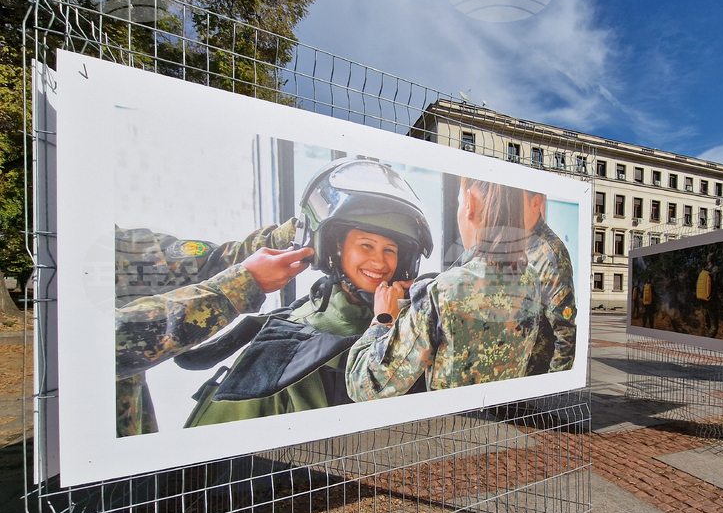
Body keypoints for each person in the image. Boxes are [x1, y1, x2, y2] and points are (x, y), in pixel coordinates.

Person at [182, 159, 434, 426]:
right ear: (336, 246)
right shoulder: (285, 343)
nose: (380, 262)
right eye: (367, 245)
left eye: (390, 250)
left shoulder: (418, 317)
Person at [346, 178, 543, 400]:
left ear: (470, 203)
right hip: (502, 422)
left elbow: (362, 386)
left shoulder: (441, 294)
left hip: (450, 429)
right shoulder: (531, 277)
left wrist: (384, 318)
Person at [115, 221, 311, 436]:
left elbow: (212, 261)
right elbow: (102, 344)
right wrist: (238, 284)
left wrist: (301, 228)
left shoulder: (98, 241)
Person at [521, 190, 577, 375]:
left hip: (533, 380)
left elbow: (565, 334)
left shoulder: (551, 254)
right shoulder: (516, 243)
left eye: (514, 201)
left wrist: (552, 387)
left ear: (535, 203)